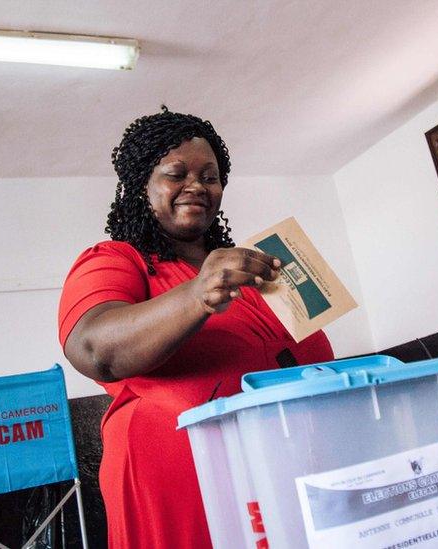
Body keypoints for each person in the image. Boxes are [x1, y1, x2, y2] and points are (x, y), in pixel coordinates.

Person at [57, 107, 334, 548]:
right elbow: (94, 349)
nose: (196, 186)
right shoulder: (116, 260)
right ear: (141, 186)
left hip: (282, 480)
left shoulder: (252, 269)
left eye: (210, 176)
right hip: (179, 494)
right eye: (176, 173)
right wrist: (197, 294)